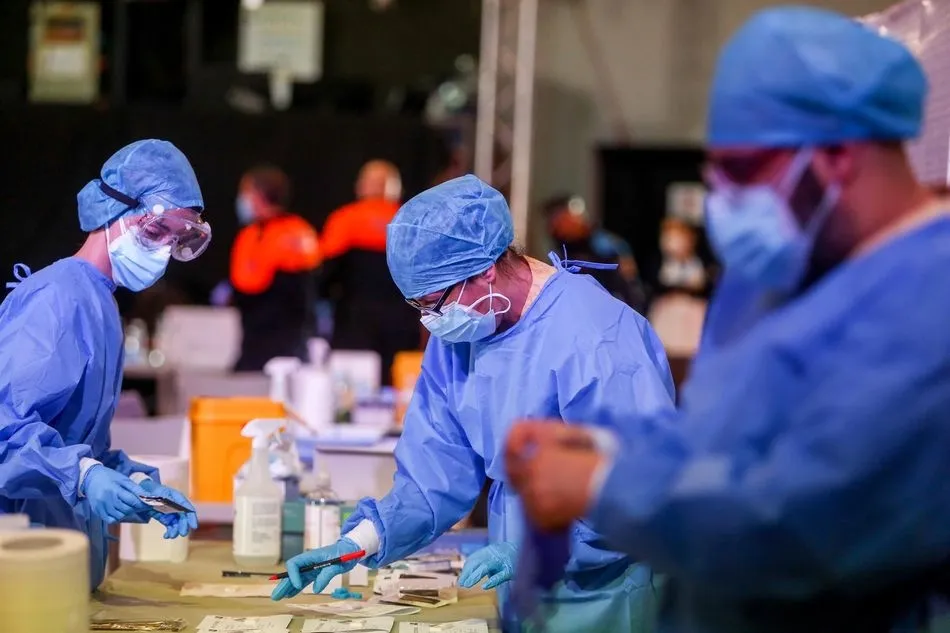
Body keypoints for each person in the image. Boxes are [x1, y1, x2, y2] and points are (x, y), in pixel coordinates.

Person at [506, 6, 950, 632]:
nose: (723, 199)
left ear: (837, 157)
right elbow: (722, 440)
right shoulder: (775, 272)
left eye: (742, 170)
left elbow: (806, 526)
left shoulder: (929, 300)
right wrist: (605, 445)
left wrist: (604, 486)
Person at [272, 174, 677, 633]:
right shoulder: (463, 331)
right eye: (417, 306)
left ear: (485, 271)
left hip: (608, 595)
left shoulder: (596, 336)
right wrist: (364, 539)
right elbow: (434, 472)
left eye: (434, 302)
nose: (431, 320)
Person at [0, 139, 203, 589]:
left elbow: (72, 438)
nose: (164, 250)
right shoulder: (56, 299)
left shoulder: (99, 302)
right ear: (111, 211)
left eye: (177, 240)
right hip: (20, 562)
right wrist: (86, 476)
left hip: (61, 565)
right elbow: (5, 431)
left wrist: (124, 476)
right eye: (156, 231)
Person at [319, 160, 420, 385]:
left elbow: (325, 276)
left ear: (361, 186)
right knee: (398, 388)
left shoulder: (344, 220)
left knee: (351, 392)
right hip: (402, 325)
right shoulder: (412, 224)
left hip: (354, 323)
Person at [231, 165, 320, 371]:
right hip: (267, 348)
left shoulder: (287, 234)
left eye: (245, 192)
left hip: (276, 353)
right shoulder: (255, 234)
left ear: (258, 195)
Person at [544, 194, 648, 312]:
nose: (553, 227)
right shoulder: (561, 250)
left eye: (560, 220)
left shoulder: (606, 246)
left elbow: (630, 290)